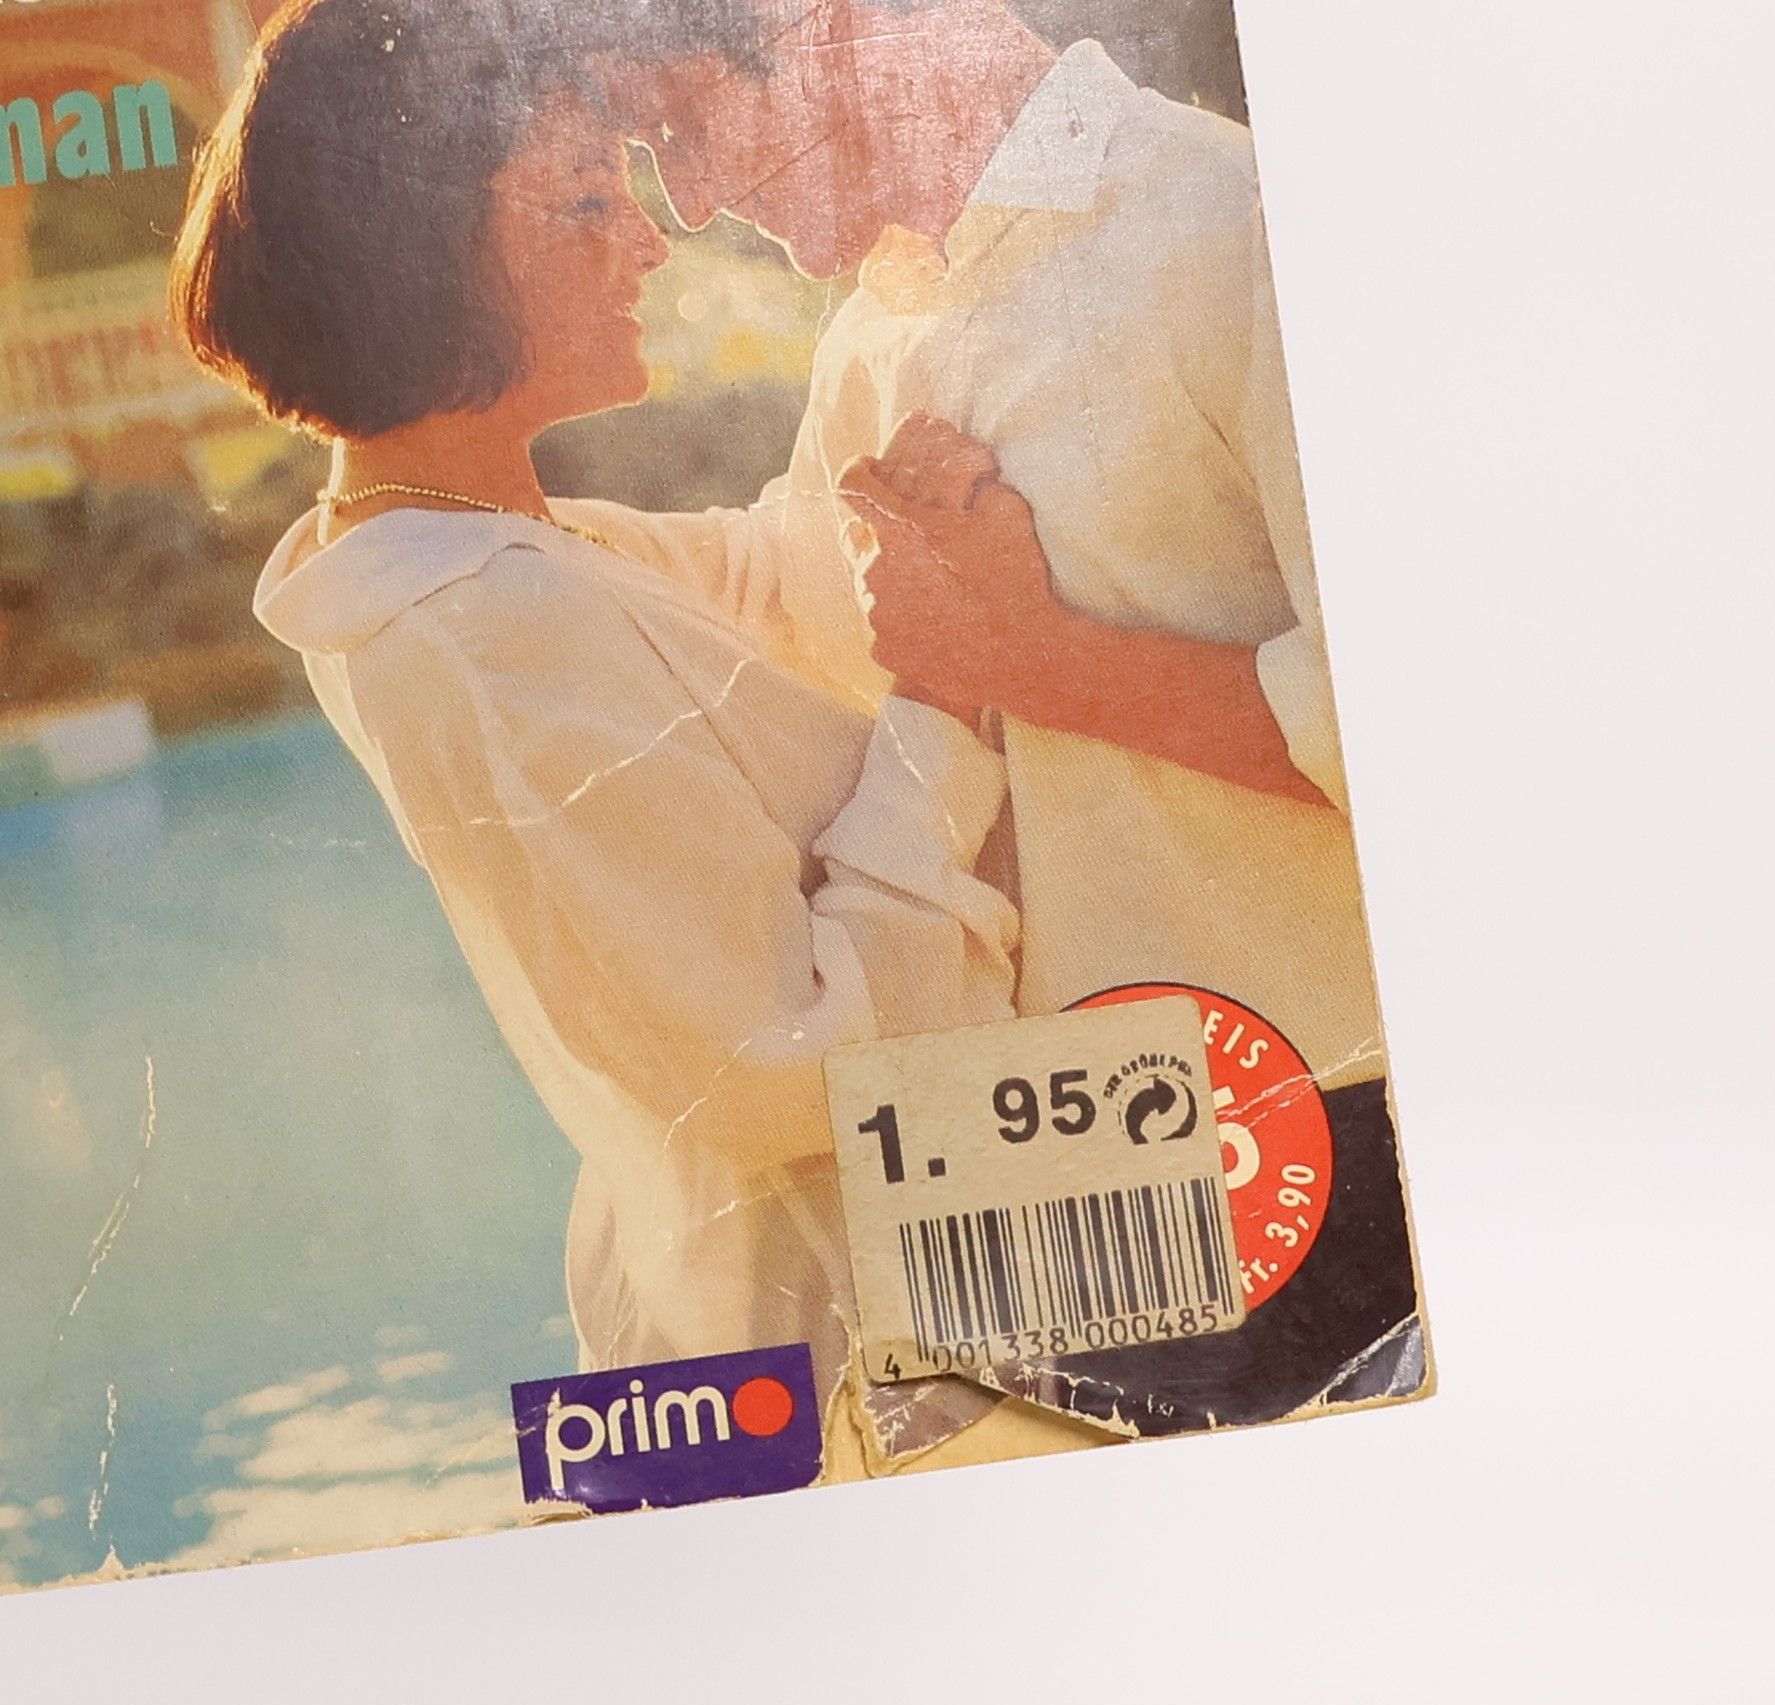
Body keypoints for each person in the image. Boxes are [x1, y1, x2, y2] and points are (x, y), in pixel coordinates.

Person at [168, 0, 1111, 1474]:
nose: (652, 240)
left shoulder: (465, 543)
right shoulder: (473, 617)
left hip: (757, 1336)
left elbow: (779, 579)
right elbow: (783, 1065)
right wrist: (952, 690)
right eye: (584, 202)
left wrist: (915, 333)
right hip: (846, 1385)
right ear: (417, 248)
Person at [603, 0, 1424, 1431]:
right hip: (1031, 1154)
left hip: (1301, 1131)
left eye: (683, 126)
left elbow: (1419, 730)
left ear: (826, 24)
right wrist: (457, 533)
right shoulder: (879, 322)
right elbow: (787, 587)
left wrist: (1042, 663)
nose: (696, 200)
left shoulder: (1229, 224)